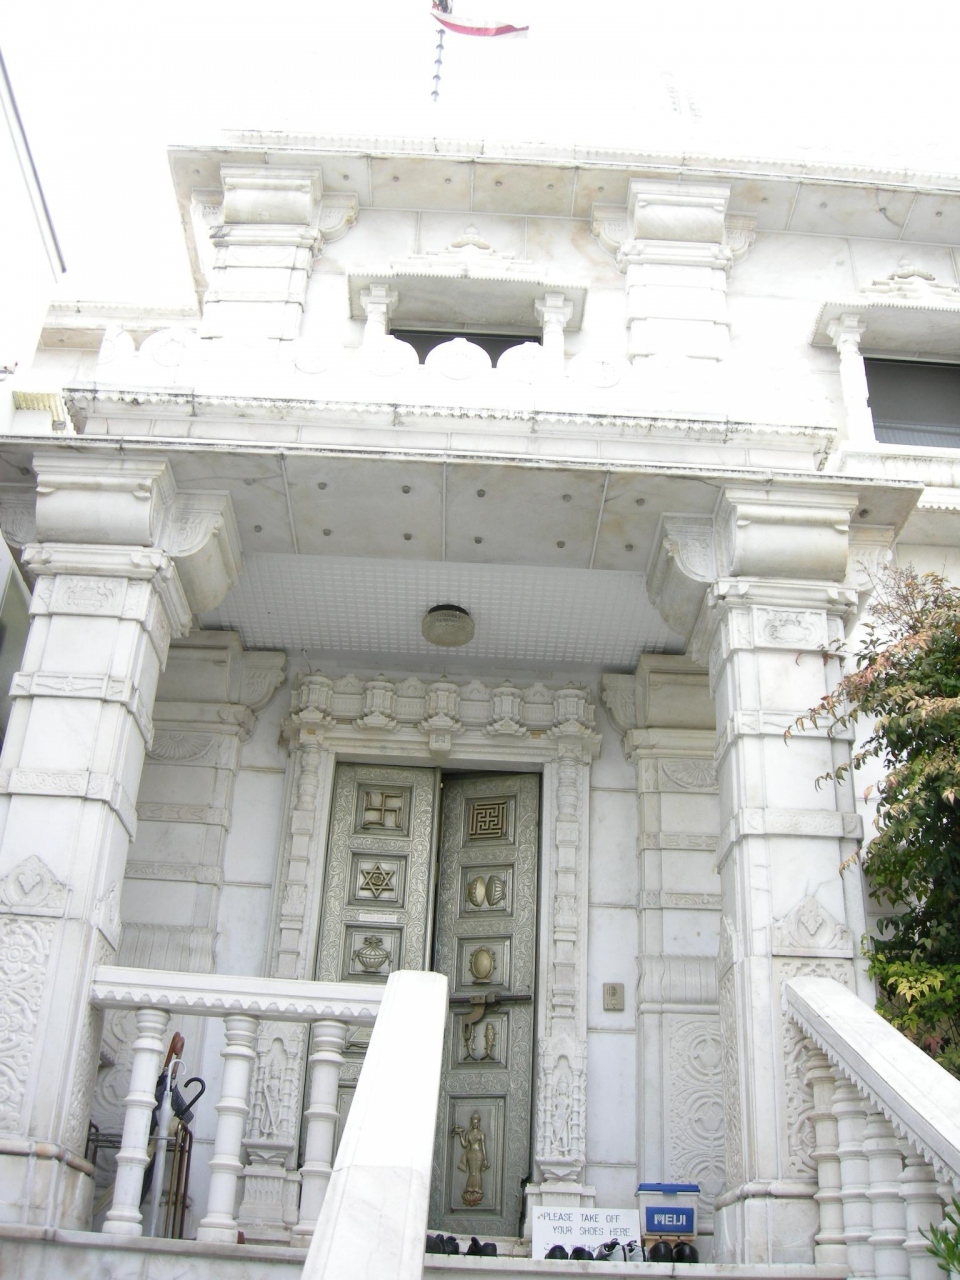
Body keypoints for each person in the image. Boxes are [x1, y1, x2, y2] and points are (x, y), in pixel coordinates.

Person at [452, 1112, 489, 1205]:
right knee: (472, 1172)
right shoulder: (468, 1133)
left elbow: (483, 1146)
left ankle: (477, 1190)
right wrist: (460, 1134)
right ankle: (470, 1189)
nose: (475, 1123)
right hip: (470, 1154)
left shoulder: (481, 1133)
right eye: (473, 1122)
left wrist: (485, 1159)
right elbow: (465, 1144)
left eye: (476, 1122)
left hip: (479, 1154)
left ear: (479, 1122)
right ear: (471, 1122)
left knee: (477, 1172)